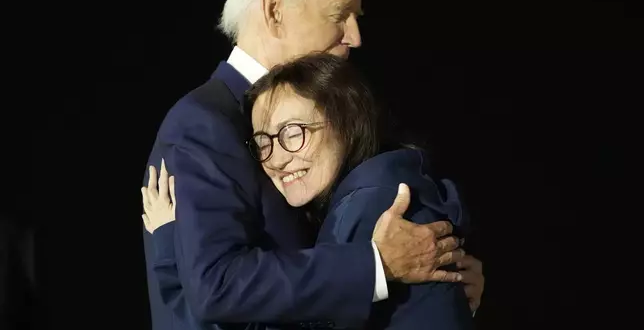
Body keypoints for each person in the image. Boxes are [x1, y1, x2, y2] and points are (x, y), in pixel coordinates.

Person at [140, 0, 484, 329]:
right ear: (274, 10)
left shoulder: (338, 118)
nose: (354, 36)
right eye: (339, 14)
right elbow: (214, 289)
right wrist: (377, 265)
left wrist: (442, 286)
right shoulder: (204, 124)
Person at [144, 53, 476, 329]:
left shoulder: (376, 208)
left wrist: (171, 254)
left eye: (293, 132)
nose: (278, 158)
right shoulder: (373, 192)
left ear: (346, 122)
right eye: (263, 142)